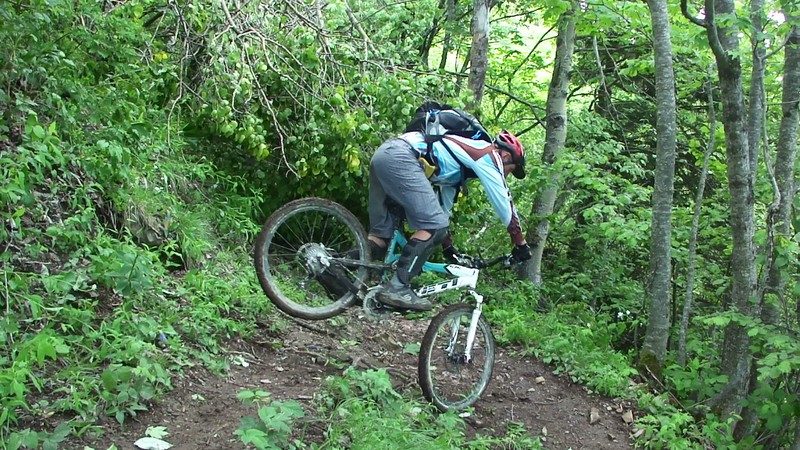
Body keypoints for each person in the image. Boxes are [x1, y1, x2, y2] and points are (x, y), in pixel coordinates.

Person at [367, 119, 532, 311]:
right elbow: (505, 204)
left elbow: (441, 212)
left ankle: (335, 275)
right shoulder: (489, 154)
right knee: (433, 226)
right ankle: (398, 287)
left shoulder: (456, 170)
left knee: (381, 238)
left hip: (386, 155)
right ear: (505, 156)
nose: (507, 175)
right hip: (402, 157)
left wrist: (449, 248)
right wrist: (520, 244)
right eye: (511, 170)